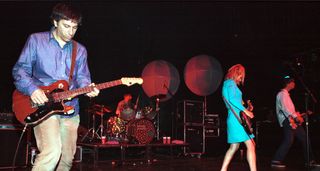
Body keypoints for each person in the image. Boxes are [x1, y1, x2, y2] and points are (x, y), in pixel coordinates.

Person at [12, 3, 99, 171]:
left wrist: (88, 88)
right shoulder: (36, 40)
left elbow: (82, 78)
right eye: (66, 26)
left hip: (70, 109)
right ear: (55, 21)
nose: (71, 31)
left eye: (74, 27)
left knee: (66, 159)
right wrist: (32, 89)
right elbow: (20, 70)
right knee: (52, 151)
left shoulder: (79, 50)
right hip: (43, 106)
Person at [271, 76, 319, 168]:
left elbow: (290, 111)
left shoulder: (286, 95)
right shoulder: (282, 94)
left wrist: (302, 115)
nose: (294, 84)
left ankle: (310, 161)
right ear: (288, 83)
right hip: (288, 120)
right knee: (289, 140)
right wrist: (296, 117)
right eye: (293, 82)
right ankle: (276, 160)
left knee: (304, 138)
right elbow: (286, 109)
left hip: (291, 120)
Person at [221, 64, 256, 171]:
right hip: (237, 120)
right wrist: (246, 111)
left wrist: (247, 107)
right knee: (251, 145)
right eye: (241, 76)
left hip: (233, 118)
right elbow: (233, 100)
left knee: (234, 147)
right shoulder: (231, 83)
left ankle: (223, 169)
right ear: (237, 73)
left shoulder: (227, 84)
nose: (241, 78)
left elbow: (235, 102)